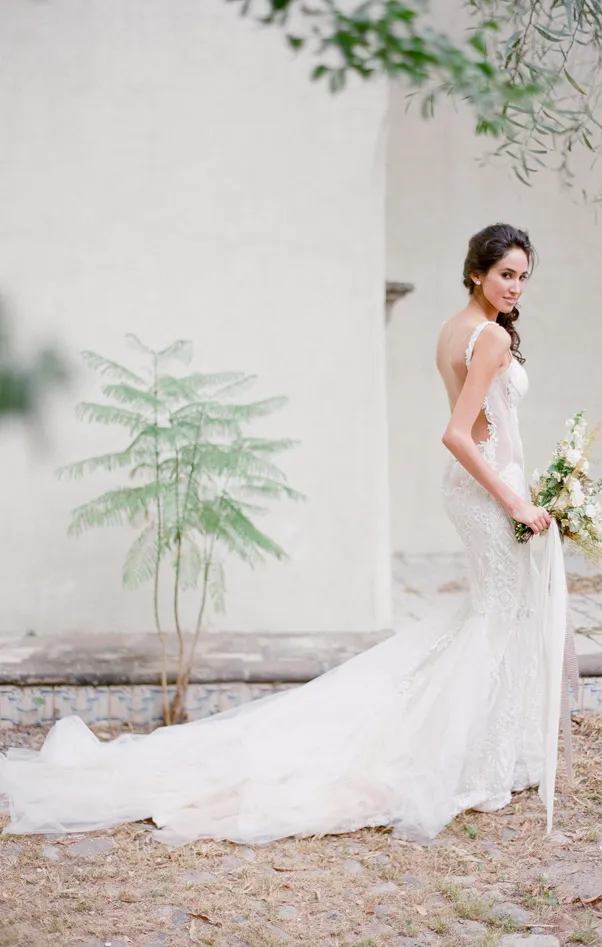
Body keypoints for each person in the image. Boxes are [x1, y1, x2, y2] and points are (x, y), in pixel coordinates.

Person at [0, 223, 569, 846]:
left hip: (476, 491)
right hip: (489, 494)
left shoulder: (452, 327)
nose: (515, 287)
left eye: (523, 277)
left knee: (488, 618)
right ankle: (471, 761)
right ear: (476, 273)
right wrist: (514, 498)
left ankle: (481, 749)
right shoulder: (487, 337)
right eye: (506, 274)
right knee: (494, 619)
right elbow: (459, 433)